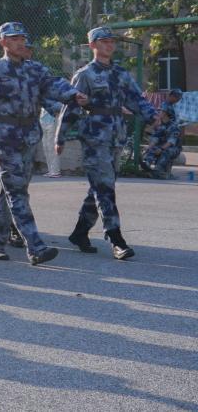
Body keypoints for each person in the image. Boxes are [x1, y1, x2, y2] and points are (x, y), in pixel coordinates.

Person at [0, 22, 83, 265]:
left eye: (22, 38)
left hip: (28, 135)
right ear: (3, 42)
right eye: (14, 39)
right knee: (16, 192)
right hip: (4, 136)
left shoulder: (35, 69)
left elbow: (54, 84)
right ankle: (35, 247)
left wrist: (73, 95)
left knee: (15, 191)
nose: (20, 43)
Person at [56, 26, 156, 260]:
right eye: (104, 41)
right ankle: (115, 238)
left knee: (102, 186)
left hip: (116, 136)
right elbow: (71, 106)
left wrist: (152, 116)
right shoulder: (85, 74)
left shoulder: (121, 73)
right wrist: (60, 136)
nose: (110, 45)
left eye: (112, 41)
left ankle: (80, 232)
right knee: (105, 187)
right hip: (94, 136)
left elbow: (135, 98)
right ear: (93, 45)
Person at [142, 108, 182, 178]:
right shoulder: (161, 125)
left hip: (174, 148)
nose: (158, 112)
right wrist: (149, 148)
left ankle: (158, 170)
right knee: (151, 149)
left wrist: (161, 149)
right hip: (162, 146)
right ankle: (146, 166)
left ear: (165, 114)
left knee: (166, 151)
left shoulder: (174, 126)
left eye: (160, 111)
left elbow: (171, 142)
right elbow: (155, 139)